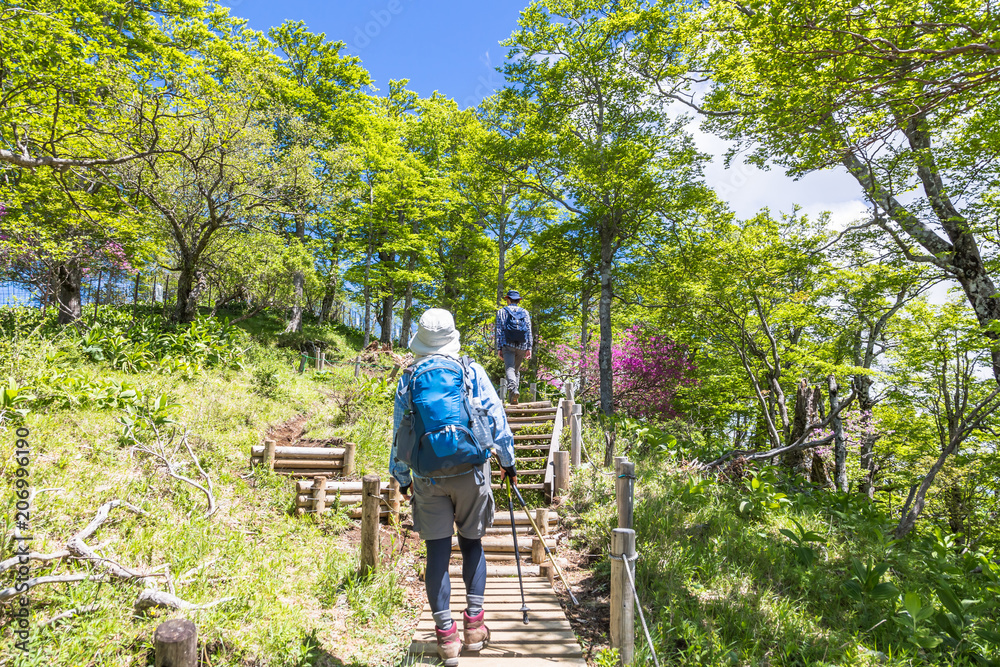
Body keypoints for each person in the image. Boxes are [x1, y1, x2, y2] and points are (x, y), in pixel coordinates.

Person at [390, 308, 518, 666]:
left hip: (428, 477)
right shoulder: (468, 370)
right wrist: (507, 460)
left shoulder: (409, 378)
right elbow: (496, 416)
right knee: (472, 544)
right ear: (451, 337)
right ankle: (475, 628)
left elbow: (400, 434)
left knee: (437, 554)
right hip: (470, 471)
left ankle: (447, 639)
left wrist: (402, 478)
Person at [494, 289, 533, 404]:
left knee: (509, 368)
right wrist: (529, 347)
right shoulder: (525, 312)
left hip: (508, 344)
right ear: (518, 301)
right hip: (522, 344)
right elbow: (529, 330)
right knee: (515, 371)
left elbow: (499, 330)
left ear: (508, 300)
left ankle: (513, 389)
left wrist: (499, 348)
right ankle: (513, 398)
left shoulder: (501, 312)